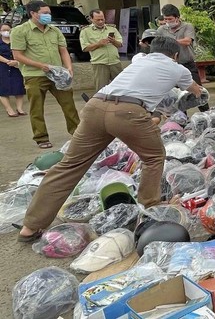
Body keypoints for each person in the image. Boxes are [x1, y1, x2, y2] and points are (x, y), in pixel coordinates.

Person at [17, 37, 202, 242]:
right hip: (129, 113)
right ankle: (150, 208)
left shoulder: (139, 59)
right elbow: (196, 93)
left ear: (151, 50)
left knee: (69, 165)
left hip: (95, 107)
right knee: (154, 157)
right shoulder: (178, 69)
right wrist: (200, 94)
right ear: (175, 55)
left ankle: (30, 226)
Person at [11, 0, 80, 149]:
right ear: (33, 14)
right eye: (45, 13)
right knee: (36, 108)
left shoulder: (54, 31)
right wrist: (41, 66)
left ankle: (77, 133)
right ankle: (41, 138)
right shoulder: (20, 31)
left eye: (49, 13)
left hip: (57, 74)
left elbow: (63, 51)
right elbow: (17, 56)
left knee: (69, 105)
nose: (48, 16)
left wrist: (69, 68)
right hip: (34, 75)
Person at [157, 4, 208, 112]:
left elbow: (187, 41)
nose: (167, 21)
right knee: (176, 95)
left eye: (170, 19)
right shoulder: (161, 30)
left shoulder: (187, 26)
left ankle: (207, 114)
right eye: (165, 19)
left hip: (187, 64)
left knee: (198, 91)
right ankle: (181, 120)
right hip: (170, 66)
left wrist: (169, 42)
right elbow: (157, 45)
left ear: (177, 18)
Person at [80, 9, 123, 91]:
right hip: (100, 63)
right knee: (101, 89)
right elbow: (85, 48)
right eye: (98, 20)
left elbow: (120, 44)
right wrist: (98, 44)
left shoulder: (112, 28)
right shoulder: (85, 31)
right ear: (91, 19)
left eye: (102, 19)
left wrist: (113, 41)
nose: (101, 21)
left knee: (121, 87)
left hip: (115, 62)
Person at [0, 22, 26, 117]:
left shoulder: (16, 40)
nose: (6, 32)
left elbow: (23, 52)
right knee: (3, 89)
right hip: (2, 67)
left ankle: (20, 108)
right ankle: (9, 109)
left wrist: (16, 62)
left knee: (19, 88)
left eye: (8, 30)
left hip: (16, 66)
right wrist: (7, 61)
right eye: (3, 30)